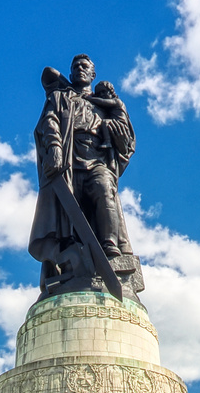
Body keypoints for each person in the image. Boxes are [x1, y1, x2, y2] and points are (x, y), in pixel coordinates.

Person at [29, 54, 136, 294]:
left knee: (104, 188)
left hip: (96, 158)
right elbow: (49, 122)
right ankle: (72, 262)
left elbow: (127, 140)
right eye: (75, 66)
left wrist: (116, 122)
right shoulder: (60, 97)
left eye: (84, 66)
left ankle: (110, 250)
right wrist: (55, 148)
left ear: (92, 74)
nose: (79, 69)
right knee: (68, 215)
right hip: (68, 159)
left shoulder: (106, 103)